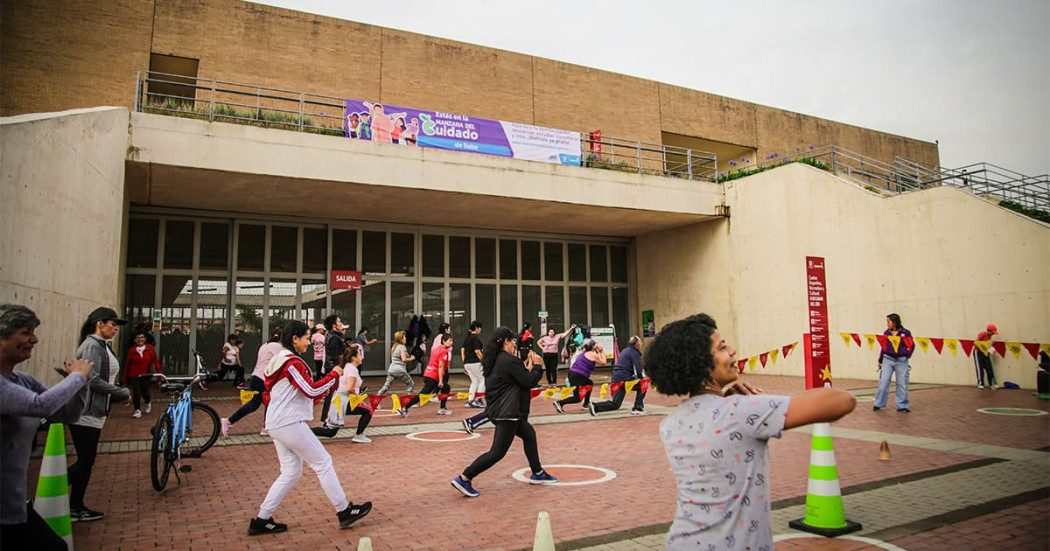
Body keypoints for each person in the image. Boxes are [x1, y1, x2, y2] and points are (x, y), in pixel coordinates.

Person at [646, 313, 856, 550]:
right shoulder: (740, 412)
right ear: (703, 363)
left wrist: (730, 402)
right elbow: (842, 401)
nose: (733, 351)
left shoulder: (671, 424)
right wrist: (764, 404)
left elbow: (716, 427)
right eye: (723, 347)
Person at [248, 320, 372, 535]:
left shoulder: (279, 360)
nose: (309, 342)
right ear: (294, 339)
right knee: (323, 462)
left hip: (276, 422)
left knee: (290, 472)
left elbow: (297, 391)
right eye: (306, 338)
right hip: (288, 421)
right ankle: (344, 511)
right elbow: (311, 390)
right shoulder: (292, 362)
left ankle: (261, 519)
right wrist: (333, 375)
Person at [0, 304, 91, 550]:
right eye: (25, 332)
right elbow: (41, 405)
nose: (34, 339)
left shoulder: (23, 381)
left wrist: (81, 385)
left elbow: (67, 413)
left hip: (14, 506)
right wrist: (76, 378)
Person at [451, 327, 557, 498]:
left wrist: (527, 367)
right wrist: (538, 366)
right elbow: (528, 381)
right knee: (497, 452)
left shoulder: (494, 359)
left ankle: (537, 472)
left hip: (502, 410)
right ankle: (465, 477)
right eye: (513, 341)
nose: (514, 344)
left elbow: (516, 378)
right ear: (506, 342)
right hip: (508, 412)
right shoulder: (508, 360)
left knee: (529, 434)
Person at [69, 307, 132, 522]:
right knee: (85, 461)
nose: (115, 328)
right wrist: (121, 392)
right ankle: (53, 487)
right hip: (85, 411)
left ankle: (75, 505)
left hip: (94, 410)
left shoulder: (101, 346)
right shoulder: (92, 347)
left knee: (87, 461)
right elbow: (92, 379)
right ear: (99, 324)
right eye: (112, 324)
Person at [222, 327, 283, 438]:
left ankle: (229, 421)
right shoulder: (278, 347)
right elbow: (282, 362)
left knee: (256, 404)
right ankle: (265, 428)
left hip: (256, 377)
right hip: (263, 379)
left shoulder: (264, 345)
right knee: (270, 403)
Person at [317, 344, 373, 443]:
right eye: (360, 355)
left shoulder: (347, 366)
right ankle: (359, 435)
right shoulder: (352, 369)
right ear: (354, 358)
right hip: (343, 401)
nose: (362, 357)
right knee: (368, 410)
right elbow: (349, 388)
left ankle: (306, 433)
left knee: (330, 432)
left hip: (339, 401)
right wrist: (358, 399)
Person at [590, 335, 646, 415]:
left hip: (616, 378)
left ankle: (595, 406)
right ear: (637, 344)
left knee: (616, 404)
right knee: (643, 385)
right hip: (625, 378)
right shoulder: (635, 353)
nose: (641, 344)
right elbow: (638, 369)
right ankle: (638, 408)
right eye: (640, 342)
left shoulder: (624, 350)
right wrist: (641, 377)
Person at [400, 333, 453, 417]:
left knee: (446, 388)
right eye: (449, 341)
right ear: (443, 341)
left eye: (452, 341)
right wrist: (440, 381)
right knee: (423, 394)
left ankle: (442, 408)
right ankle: (405, 407)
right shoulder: (444, 351)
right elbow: (440, 367)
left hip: (428, 374)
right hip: (433, 376)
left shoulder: (436, 349)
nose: (451, 343)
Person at [874, 313, 914, 412]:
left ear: (895, 322)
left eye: (889, 321)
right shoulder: (886, 333)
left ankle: (902, 405)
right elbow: (883, 347)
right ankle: (879, 403)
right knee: (884, 381)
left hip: (901, 360)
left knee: (902, 383)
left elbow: (912, 345)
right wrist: (880, 360)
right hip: (888, 359)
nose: (887, 324)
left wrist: (907, 355)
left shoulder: (906, 333)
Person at [553, 338, 606, 413]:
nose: (596, 346)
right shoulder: (592, 354)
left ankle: (586, 404)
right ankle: (560, 403)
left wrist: (597, 351)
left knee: (589, 383)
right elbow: (603, 363)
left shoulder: (585, 352)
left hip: (574, 373)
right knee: (577, 398)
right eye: (594, 345)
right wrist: (601, 351)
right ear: (592, 346)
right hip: (578, 375)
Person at [122, 331, 162, 419]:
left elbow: (155, 361)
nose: (140, 339)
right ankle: (137, 410)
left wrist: (160, 375)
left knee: (145, 392)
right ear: (135, 340)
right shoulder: (132, 350)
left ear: (145, 339)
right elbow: (128, 364)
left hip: (146, 374)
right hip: (134, 375)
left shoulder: (150, 349)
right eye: (138, 338)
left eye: (142, 337)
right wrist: (125, 379)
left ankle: (148, 402)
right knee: (136, 392)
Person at [319, 316, 347, 421]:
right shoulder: (334, 338)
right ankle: (327, 418)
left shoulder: (332, 336)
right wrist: (340, 368)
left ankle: (331, 416)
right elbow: (337, 355)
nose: (341, 323)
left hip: (331, 368)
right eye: (339, 321)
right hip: (333, 369)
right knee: (332, 393)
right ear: (334, 325)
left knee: (333, 393)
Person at [376, 331, 415, 399]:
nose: (405, 338)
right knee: (410, 384)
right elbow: (404, 359)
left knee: (386, 386)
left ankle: (376, 398)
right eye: (404, 337)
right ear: (401, 339)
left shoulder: (394, 347)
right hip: (400, 370)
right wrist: (412, 358)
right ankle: (409, 400)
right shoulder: (402, 347)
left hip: (391, 369)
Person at [462, 321, 485, 407]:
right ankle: (477, 399)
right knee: (483, 379)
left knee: (474, 381)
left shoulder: (467, 338)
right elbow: (477, 351)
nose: (480, 330)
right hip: (475, 362)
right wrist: (484, 361)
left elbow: (462, 349)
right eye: (479, 328)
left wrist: (464, 360)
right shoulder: (475, 338)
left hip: (468, 363)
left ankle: (470, 401)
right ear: (476, 328)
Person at [974, 323, 998, 389]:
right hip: (978, 352)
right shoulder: (982, 334)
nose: (993, 334)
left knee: (989, 367)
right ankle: (980, 383)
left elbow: (987, 344)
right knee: (980, 368)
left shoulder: (990, 337)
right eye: (992, 332)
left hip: (985, 352)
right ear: (989, 331)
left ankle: (992, 383)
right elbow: (975, 342)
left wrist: (990, 349)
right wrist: (982, 347)